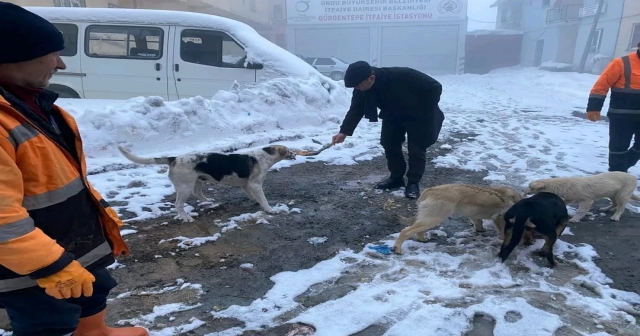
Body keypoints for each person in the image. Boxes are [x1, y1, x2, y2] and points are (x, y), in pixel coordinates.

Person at [0, 2, 148, 335]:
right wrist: (50, 265)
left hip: (69, 240)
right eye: (52, 53)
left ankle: (95, 332)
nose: (61, 63)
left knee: (95, 290)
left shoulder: (30, 103)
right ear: (10, 56)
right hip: (29, 264)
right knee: (48, 322)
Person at [331, 61, 445, 198]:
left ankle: (413, 182)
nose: (357, 89)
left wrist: (424, 110)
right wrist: (344, 132)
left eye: (357, 85)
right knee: (389, 144)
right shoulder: (362, 87)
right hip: (393, 115)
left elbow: (435, 87)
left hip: (418, 115)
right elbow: (356, 110)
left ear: (371, 78)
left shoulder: (402, 75)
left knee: (416, 148)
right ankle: (396, 178)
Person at [587, 42, 640, 173]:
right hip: (622, 116)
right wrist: (594, 107)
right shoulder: (621, 63)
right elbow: (602, 85)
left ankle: (621, 167)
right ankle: (617, 173)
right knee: (618, 148)